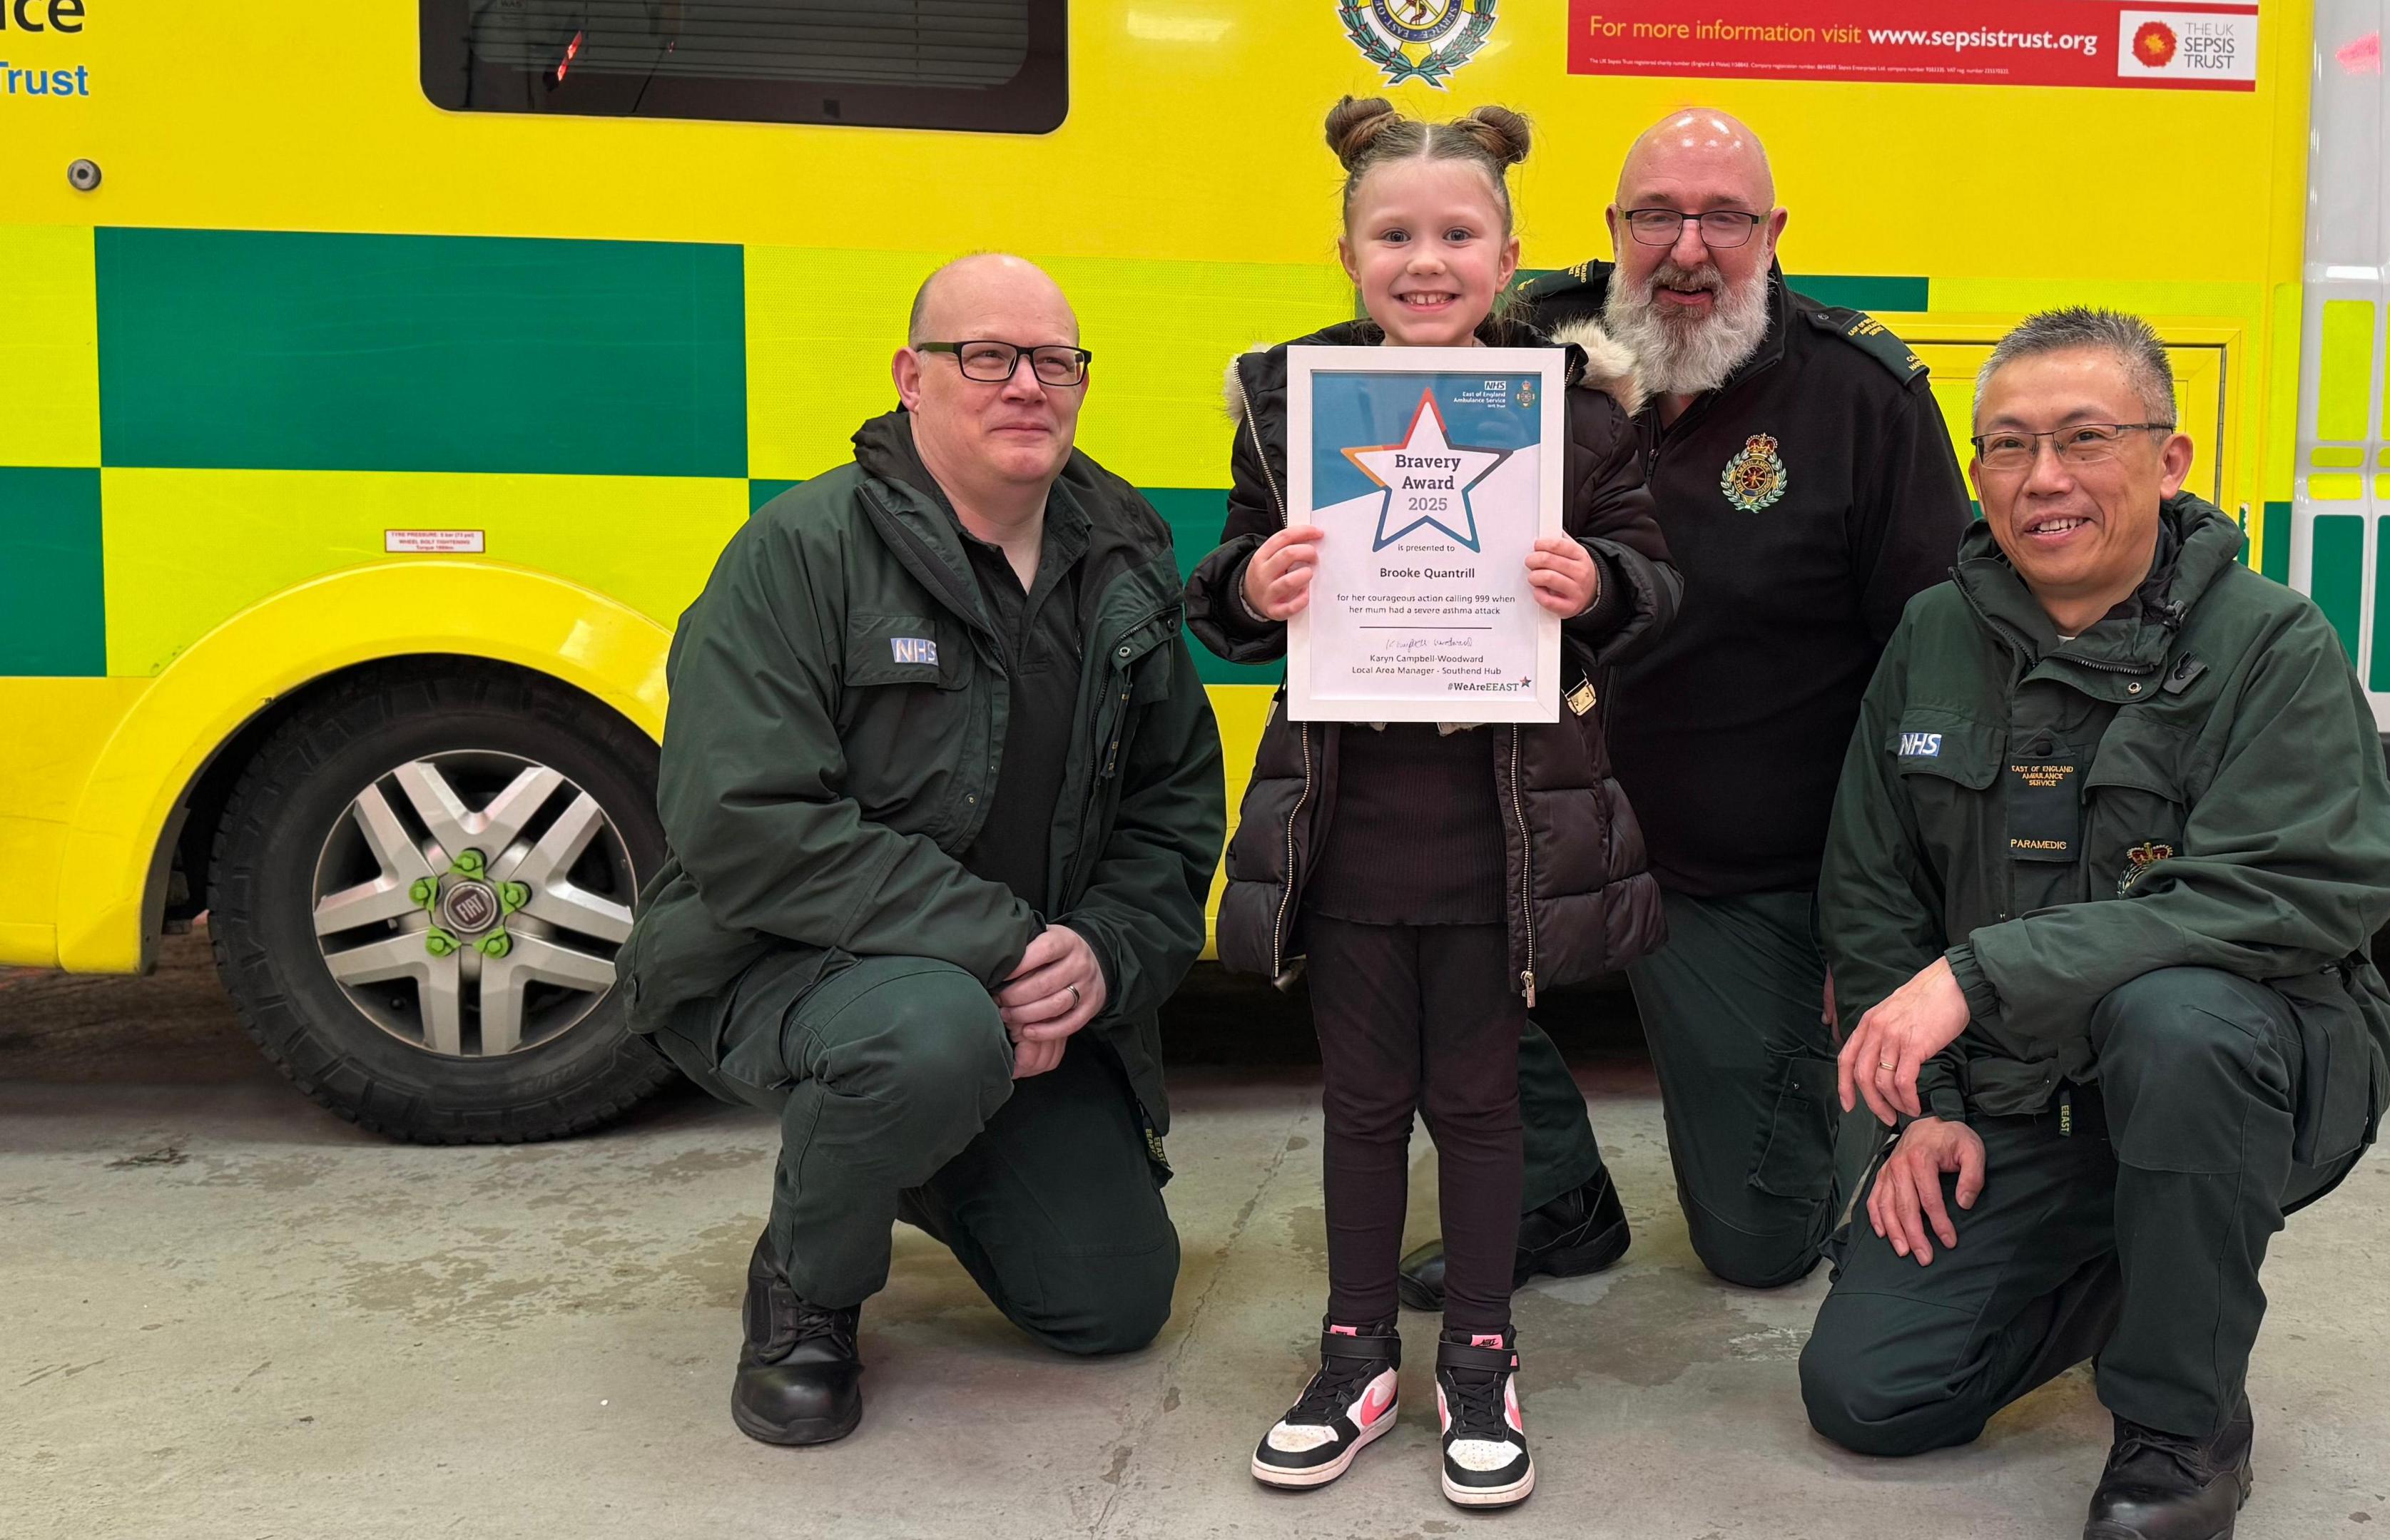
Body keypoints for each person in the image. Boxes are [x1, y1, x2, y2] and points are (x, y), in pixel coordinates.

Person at [1799, 307, 2390, 1540]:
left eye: (2085, 439)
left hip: (2237, 1071)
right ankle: (2157, 1243)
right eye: (2009, 447)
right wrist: (1927, 1113)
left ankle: (2182, 1433)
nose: (2045, 481)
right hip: (2025, 1102)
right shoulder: (1933, 634)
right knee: (1872, 1396)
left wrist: (1979, 975)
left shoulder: (2269, 642)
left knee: (2176, 1018)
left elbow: (2289, 892)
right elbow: (1871, 895)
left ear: (2171, 458)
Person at [613, 253, 1225, 1447]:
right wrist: (1004, 948)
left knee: (1112, 1302)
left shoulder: (1124, 566)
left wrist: (1098, 958)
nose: (1025, 387)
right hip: (786, 969)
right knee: (927, 1037)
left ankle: (908, 1146)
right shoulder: (799, 552)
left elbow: (1174, 808)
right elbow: (747, 825)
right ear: (911, 378)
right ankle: (806, 1292)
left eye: (1055, 361)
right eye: (983, 357)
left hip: (1020, 997)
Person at [1184, 97, 1680, 1510]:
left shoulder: (1573, 417)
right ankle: (1353, 1356)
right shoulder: (1289, 407)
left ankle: (1479, 1355)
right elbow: (1218, 589)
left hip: (1499, 832)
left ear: (1509, 251)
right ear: (1344, 250)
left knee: (1475, 1104)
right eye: (1393, 234)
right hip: (1346, 825)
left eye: (1457, 234)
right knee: (1356, 1102)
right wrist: (1248, 587)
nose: (1425, 259)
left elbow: (1656, 581)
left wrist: (1601, 588)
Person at [1391, 108, 1970, 1309]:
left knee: (1757, 1248)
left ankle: (1815, 1119)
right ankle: (1556, 1192)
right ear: (1613, 230)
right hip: (1530, 828)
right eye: (1656, 215)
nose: (1688, 248)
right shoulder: (1521, 345)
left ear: (1776, 235)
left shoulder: (1863, 398)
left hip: (1738, 874)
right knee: (1382, 933)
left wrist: (1877, 933)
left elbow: (1933, 672)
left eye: (1725, 218)